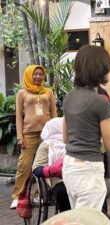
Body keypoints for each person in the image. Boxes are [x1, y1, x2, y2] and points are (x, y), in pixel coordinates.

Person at [62, 45, 110, 212]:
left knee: (78, 219)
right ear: (100, 69)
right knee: (87, 221)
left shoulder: (68, 97)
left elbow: (65, 138)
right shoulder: (99, 101)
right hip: (88, 169)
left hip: (69, 166)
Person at [11, 65, 57, 209]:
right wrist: (20, 136)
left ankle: (39, 195)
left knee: (44, 165)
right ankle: (18, 196)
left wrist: (56, 133)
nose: (38, 77)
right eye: (35, 74)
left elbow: (54, 113)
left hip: (47, 135)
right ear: (29, 75)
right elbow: (18, 116)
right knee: (24, 166)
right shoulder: (22, 93)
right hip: (29, 134)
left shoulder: (48, 92)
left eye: (40, 74)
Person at [32, 117, 70, 212]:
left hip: (76, 176)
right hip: (56, 181)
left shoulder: (73, 142)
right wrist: (51, 170)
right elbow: (36, 169)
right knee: (63, 192)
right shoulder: (46, 145)